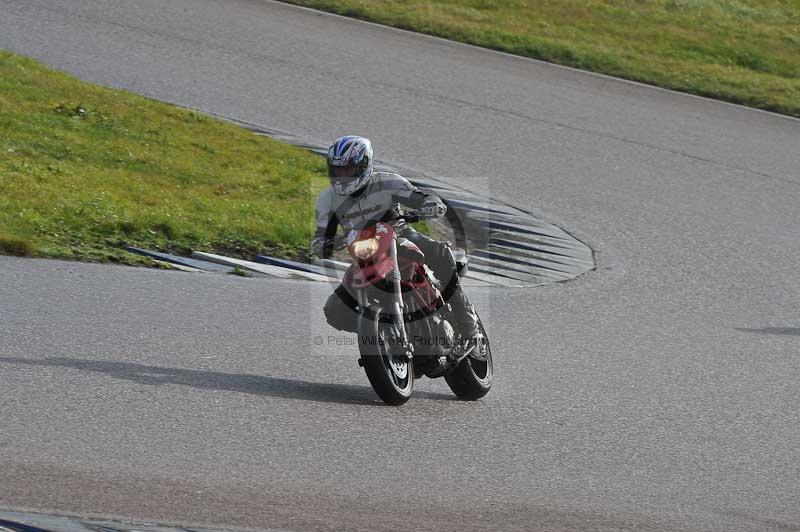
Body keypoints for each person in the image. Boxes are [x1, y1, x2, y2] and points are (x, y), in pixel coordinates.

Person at [311, 135, 478, 342]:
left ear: (364, 165)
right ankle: (382, 333)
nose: (342, 176)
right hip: (365, 252)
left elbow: (420, 197)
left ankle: (468, 323)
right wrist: (323, 244)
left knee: (441, 253)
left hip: (399, 235)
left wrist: (431, 204)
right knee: (334, 310)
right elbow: (319, 238)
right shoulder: (326, 200)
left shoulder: (387, 183)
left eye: (347, 170)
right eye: (337, 171)